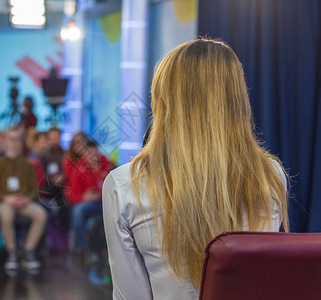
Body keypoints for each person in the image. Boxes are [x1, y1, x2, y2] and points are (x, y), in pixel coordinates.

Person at [102, 39, 289, 299]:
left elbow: (130, 296)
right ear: (237, 99)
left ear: (162, 101)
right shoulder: (270, 175)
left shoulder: (123, 185)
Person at [0, 127, 47, 270]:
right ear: (6, 141)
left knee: (41, 214)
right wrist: (6, 198)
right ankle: (12, 252)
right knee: (6, 215)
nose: (14, 143)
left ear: (21, 143)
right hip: (4, 201)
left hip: (24, 201)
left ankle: (28, 251)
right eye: (11, 139)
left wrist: (26, 199)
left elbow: (34, 189)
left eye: (17, 140)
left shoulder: (28, 164)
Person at [69, 140, 114, 251]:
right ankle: (82, 247)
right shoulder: (78, 170)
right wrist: (85, 197)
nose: (93, 157)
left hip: (108, 202)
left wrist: (99, 194)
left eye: (95, 153)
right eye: (90, 154)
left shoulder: (108, 165)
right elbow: (73, 197)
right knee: (78, 210)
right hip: (89, 204)